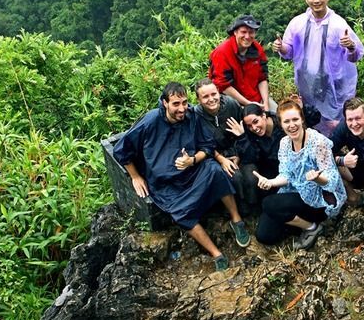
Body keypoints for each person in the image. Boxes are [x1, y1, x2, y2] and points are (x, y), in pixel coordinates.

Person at [113, 82, 250, 271]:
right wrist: (135, 176)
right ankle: (216, 253)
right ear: (164, 103)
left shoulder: (191, 116)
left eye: (184, 103)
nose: (181, 108)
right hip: (165, 182)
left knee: (215, 171)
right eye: (176, 104)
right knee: (181, 213)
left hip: (193, 171)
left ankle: (236, 220)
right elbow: (121, 149)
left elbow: (207, 147)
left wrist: (192, 160)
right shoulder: (150, 121)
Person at [272, 0, 364, 135]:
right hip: (307, 83)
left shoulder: (338, 24)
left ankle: (337, 147)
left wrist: (350, 46)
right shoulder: (297, 23)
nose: (316, 0)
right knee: (313, 118)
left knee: (335, 121)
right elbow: (289, 52)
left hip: (334, 85)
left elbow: (355, 55)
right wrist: (281, 47)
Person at [253, 100, 347, 250]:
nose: (292, 125)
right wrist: (270, 182)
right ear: (281, 124)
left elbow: (332, 179)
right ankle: (296, 222)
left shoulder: (318, 142)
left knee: (268, 204)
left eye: (295, 119)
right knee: (264, 236)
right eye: (287, 121)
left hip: (319, 198)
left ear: (302, 119)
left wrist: (318, 178)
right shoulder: (284, 143)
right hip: (296, 192)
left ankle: (312, 227)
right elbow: (285, 174)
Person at [226, 103, 285, 214]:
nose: (254, 128)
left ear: (263, 116)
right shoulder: (249, 132)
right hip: (266, 170)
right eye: (249, 125)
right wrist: (242, 137)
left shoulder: (281, 124)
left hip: (285, 170)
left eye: (255, 121)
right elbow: (250, 158)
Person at [209, 14, 275, 112]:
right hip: (231, 101)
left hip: (256, 98)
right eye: (243, 32)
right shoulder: (222, 52)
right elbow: (223, 86)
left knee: (278, 117)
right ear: (235, 32)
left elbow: (262, 78)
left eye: (251, 32)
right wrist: (248, 104)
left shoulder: (257, 49)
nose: (247, 36)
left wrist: (265, 103)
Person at [193, 78, 244, 180]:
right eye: (205, 97)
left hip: (239, 152)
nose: (211, 99)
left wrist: (239, 154)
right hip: (213, 158)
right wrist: (221, 159)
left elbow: (245, 130)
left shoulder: (231, 104)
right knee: (235, 177)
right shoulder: (196, 115)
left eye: (214, 94)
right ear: (198, 99)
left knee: (250, 177)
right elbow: (200, 144)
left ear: (218, 92)